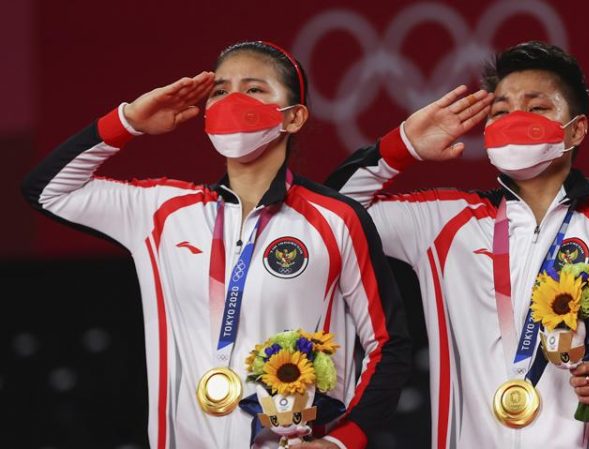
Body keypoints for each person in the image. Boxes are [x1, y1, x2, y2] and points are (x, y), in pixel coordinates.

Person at [326, 41, 589, 448]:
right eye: (500, 111)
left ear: (577, 128)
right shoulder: (443, 222)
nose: (516, 120)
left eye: (538, 108)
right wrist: (402, 147)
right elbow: (327, 216)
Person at [22, 41, 410, 449]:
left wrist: (342, 442)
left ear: (293, 118)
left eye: (254, 88)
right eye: (220, 90)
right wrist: (129, 122)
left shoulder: (336, 219)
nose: (232, 100)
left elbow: (388, 343)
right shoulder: (161, 212)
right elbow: (47, 191)